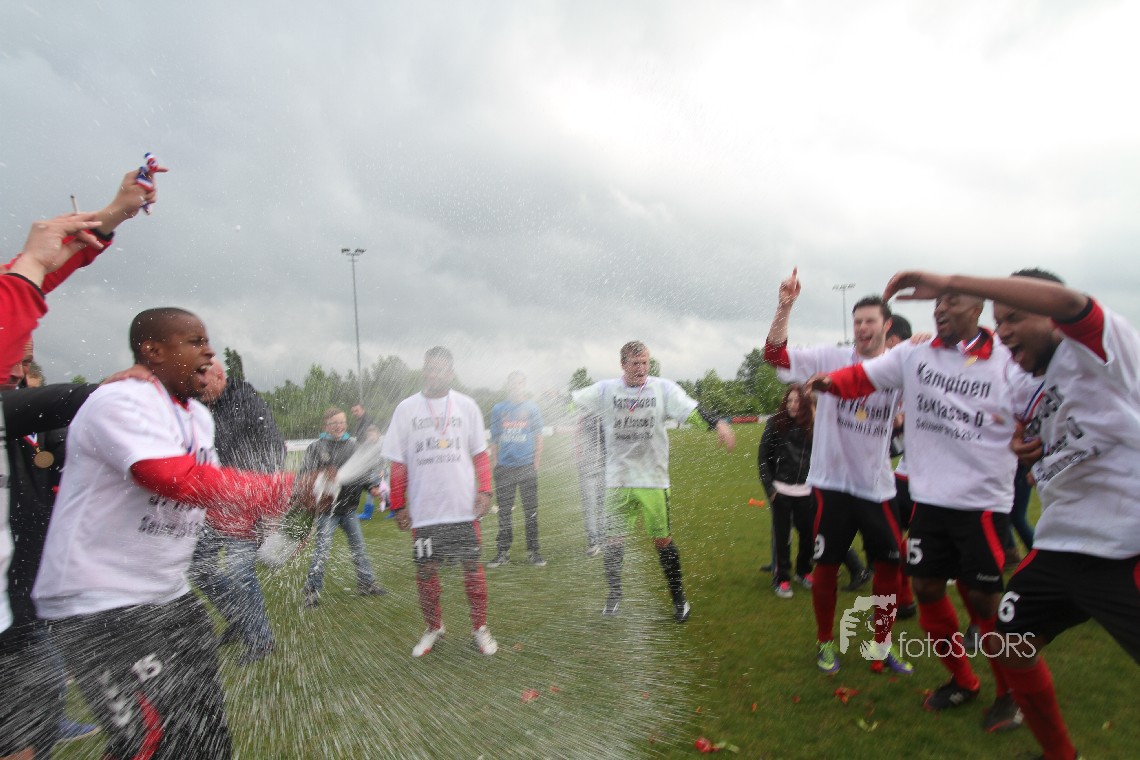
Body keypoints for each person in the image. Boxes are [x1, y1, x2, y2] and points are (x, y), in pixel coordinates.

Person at [883, 268, 1140, 760]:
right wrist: (1027, 447)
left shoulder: (1101, 348)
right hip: (1062, 544)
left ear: (1051, 316)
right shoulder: (1023, 378)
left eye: (1015, 318)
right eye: (999, 322)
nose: (1003, 332)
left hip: (1127, 545)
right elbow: (1020, 425)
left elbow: (1071, 302)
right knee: (1008, 643)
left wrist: (955, 282)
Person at [32, 307, 302, 760]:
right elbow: (171, 478)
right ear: (153, 351)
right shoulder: (120, 401)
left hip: (169, 598)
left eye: (208, 341)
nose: (209, 352)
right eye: (195, 341)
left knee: (206, 737)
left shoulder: (199, 418)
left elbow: (209, 496)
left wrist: (283, 517)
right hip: (102, 606)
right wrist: (286, 487)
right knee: (150, 743)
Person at [806, 282, 1032, 731]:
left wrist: (1031, 439)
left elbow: (1036, 407)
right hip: (929, 499)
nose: (941, 309)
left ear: (977, 307)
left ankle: (1010, 695)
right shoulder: (915, 354)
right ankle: (963, 681)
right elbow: (862, 377)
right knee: (926, 589)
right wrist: (828, 382)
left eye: (952, 301)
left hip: (981, 503)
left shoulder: (1007, 361)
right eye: (938, 302)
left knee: (984, 602)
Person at [763, 269, 911, 676]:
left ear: (887, 327)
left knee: (890, 566)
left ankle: (881, 644)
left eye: (870, 321)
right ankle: (825, 643)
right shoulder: (831, 357)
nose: (862, 328)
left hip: (877, 486)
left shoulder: (899, 367)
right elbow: (775, 356)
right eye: (857, 321)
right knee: (826, 567)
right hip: (831, 486)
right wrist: (784, 307)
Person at [572, 341, 735, 623]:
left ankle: (679, 599)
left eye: (645, 363)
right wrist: (552, 400)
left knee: (662, 540)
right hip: (618, 480)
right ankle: (614, 596)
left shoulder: (663, 389)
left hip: (653, 480)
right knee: (613, 541)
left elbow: (691, 410)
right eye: (635, 363)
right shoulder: (606, 390)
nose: (641, 368)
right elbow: (573, 401)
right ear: (623, 364)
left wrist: (717, 423)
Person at [380, 347, 498, 657]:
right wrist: (398, 505)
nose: (435, 374)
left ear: (451, 372)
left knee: (472, 569)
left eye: (441, 369)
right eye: (430, 368)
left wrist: (485, 491)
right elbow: (398, 463)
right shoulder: (406, 409)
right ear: (424, 370)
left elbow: (480, 454)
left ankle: (480, 627)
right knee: (426, 573)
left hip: (463, 509)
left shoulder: (467, 406)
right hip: (425, 512)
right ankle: (434, 626)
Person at [192, 358, 285, 664]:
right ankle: (239, 617)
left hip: (246, 502)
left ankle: (261, 640)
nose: (199, 386)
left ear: (220, 375)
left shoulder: (246, 400)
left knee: (240, 571)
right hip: (213, 502)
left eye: (204, 380)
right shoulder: (198, 405)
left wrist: (269, 508)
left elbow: (273, 448)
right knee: (198, 566)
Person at [299, 407, 387, 608]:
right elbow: (304, 475)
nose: (339, 426)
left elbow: (362, 472)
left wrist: (371, 487)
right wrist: (322, 474)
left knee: (359, 547)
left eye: (342, 422)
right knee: (321, 552)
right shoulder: (316, 447)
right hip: (326, 510)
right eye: (334, 423)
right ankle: (312, 591)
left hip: (348, 509)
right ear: (326, 426)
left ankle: (366, 583)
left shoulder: (353, 446)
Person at [758, 386, 815, 598]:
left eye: (797, 401)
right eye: (789, 401)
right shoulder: (775, 424)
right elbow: (763, 458)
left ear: (805, 404)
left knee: (808, 536)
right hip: (780, 492)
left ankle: (803, 572)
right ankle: (781, 578)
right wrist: (770, 489)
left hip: (806, 492)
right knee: (782, 539)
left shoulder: (812, 426)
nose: (792, 405)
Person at [487, 371, 546, 568]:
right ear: (508, 385)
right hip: (505, 468)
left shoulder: (532, 408)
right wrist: (496, 463)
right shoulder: (498, 409)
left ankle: (534, 552)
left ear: (524, 385)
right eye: (513, 383)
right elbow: (494, 439)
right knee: (504, 513)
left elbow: (539, 436)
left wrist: (535, 463)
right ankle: (502, 552)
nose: (516, 387)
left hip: (527, 467)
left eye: (520, 383)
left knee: (531, 512)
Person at [575, 411, 606, 557]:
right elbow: (577, 438)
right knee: (589, 505)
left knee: (604, 505)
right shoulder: (584, 416)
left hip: (606, 467)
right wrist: (580, 459)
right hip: (587, 467)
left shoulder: (609, 413)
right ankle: (593, 541)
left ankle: (603, 538)